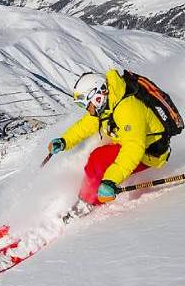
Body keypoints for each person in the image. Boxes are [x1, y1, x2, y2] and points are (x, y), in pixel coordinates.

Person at [48, 70, 172, 222]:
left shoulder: (127, 109)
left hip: (150, 153)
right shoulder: (111, 100)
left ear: (97, 95)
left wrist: (111, 180)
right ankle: (87, 196)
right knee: (98, 156)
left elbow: (133, 149)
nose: (87, 109)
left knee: (98, 158)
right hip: (130, 141)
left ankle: (89, 202)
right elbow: (86, 125)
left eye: (86, 104)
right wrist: (64, 141)